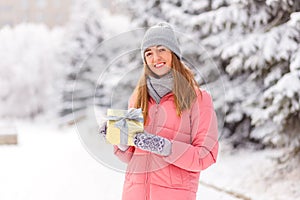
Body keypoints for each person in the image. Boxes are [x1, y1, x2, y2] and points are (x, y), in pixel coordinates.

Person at [101, 22, 219, 200]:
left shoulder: (199, 99)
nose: (155, 57)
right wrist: (120, 140)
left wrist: (164, 147)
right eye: (148, 53)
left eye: (161, 49)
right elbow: (132, 157)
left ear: (174, 54)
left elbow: (206, 155)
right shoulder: (137, 98)